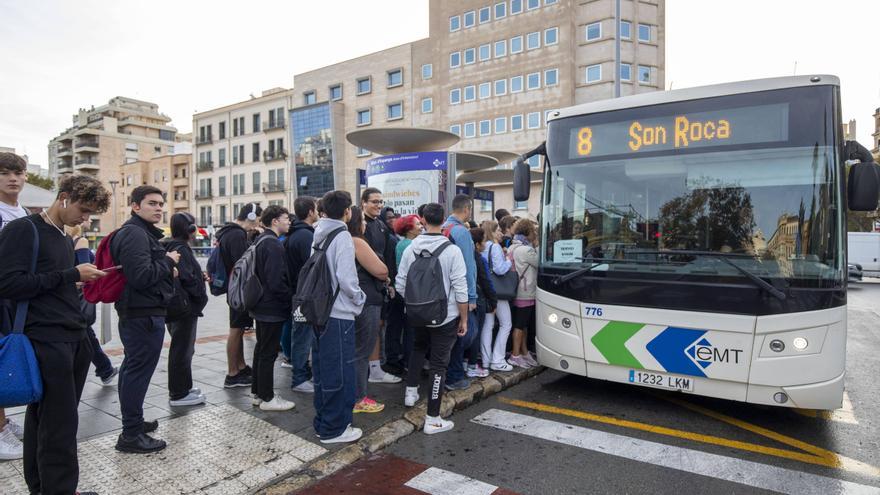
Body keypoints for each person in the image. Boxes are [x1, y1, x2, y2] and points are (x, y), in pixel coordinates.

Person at [0, 174, 109, 492]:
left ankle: (44, 487)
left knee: (44, 421)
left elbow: (51, 282)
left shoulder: (63, 237)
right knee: (59, 425)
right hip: (46, 340)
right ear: (64, 197)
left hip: (72, 337)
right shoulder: (24, 229)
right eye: (84, 210)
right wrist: (70, 274)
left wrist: (72, 278)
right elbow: (7, 283)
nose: (85, 219)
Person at [111, 185, 178, 454]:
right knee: (137, 372)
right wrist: (169, 262)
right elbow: (140, 276)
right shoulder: (135, 234)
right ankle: (130, 434)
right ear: (135, 206)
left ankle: (134, 423)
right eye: (152, 203)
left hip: (140, 312)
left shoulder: (138, 233)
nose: (159, 208)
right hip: (142, 313)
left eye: (161, 204)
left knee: (132, 369)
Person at [396, 203, 468, 434]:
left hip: (416, 314)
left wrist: (416, 303)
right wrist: (464, 318)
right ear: (444, 221)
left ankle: (410, 392)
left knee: (417, 349)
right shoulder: (452, 250)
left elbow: (401, 283)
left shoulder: (411, 248)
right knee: (439, 365)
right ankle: (433, 418)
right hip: (445, 316)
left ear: (424, 221)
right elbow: (461, 289)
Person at [312, 190, 365, 443]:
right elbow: (346, 278)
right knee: (341, 372)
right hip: (339, 312)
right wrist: (359, 299)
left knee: (324, 370)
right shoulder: (342, 235)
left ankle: (323, 422)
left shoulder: (319, 231)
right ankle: (335, 428)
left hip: (320, 310)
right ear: (347, 211)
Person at [248, 205, 295, 411]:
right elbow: (276, 280)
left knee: (261, 349)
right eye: (285, 218)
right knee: (268, 352)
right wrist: (288, 300)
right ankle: (267, 398)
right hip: (271, 307)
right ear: (275, 221)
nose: (289, 221)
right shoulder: (273, 244)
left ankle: (258, 393)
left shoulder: (261, 240)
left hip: (261, 304)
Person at [348, 206, 393, 414]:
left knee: (358, 349)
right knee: (362, 351)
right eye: (363, 222)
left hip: (358, 301)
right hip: (367, 301)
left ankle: (356, 394)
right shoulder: (357, 241)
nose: (366, 224)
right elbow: (381, 270)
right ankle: (359, 398)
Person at [162, 212, 208, 407]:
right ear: (189, 229)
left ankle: (184, 387)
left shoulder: (173, 247)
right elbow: (188, 278)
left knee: (184, 348)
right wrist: (199, 295)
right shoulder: (181, 249)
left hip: (178, 307)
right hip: (184, 308)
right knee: (182, 349)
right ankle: (179, 393)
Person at [0, 151, 28, 460]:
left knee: (6, 359)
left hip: (14, 297)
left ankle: (4, 421)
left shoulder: (19, 212)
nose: (13, 178)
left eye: (18, 173)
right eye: (6, 173)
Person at [66, 223, 119, 386]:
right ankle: (105, 369)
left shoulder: (64, 243)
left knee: (87, 336)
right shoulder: (80, 241)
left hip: (66, 297)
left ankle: (105, 369)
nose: (87, 221)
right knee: (87, 336)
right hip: (78, 297)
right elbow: (85, 270)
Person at [215, 203, 262, 388]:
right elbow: (242, 264)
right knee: (236, 330)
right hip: (238, 290)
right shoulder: (236, 235)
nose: (258, 222)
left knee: (240, 328)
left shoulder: (230, 232)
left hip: (234, 288)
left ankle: (240, 367)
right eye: (258, 218)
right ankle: (232, 373)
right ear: (251, 216)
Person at [360, 187, 398, 383]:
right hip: (364, 286)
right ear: (363, 203)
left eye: (380, 201)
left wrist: (387, 280)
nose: (379, 205)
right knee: (367, 331)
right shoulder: (360, 225)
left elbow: (385, 255)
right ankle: (366, 374)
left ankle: (375, 369)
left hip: (379, 285)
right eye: (374, 201)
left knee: (377, 326)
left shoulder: (381, 225)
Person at [441, 194, 478, 391]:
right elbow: (468, 267)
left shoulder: (443, 228)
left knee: (450, 336)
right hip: (459, 293)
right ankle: (454, 376)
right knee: (465, 333)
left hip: (442, 292)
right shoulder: (461, 232)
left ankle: (447, 373)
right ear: (466, 209)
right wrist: (471, 297)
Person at [283, 196, 319, 393]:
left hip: (299, 292)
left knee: (302, 335)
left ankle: (302, 374)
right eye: (315, 208)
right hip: (304, 294)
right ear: (310, 212)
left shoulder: (296, 234)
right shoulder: (305, 236)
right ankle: (299, 378)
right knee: (303, 336)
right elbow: (312, 266)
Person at [479, 220, 514, 372]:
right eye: (498, 230)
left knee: (488, 326)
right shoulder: (495, 247)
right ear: (492, 232)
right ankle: (498, 359)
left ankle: (486, 360)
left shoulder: (481, 247)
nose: (500, 233)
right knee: (506, 324)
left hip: (485, 290)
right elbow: (500, 269)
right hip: (498, 291)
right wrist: (508, 260)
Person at [508, 219, 539, 368]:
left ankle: (524, 352)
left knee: (523, 324)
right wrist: (538, 245)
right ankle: (515, 355)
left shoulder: (513, 247)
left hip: (517, 290)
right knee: (520, 325)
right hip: (525, 292)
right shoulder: (526, 250)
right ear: (528, 233)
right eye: (533, 231)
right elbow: (540, 262)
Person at [466, 227, 496, 378]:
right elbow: (486, 282)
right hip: (479, 299)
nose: (485, 244)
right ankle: (472, 365)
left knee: (467, 332)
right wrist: (494, 302)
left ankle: (467, 363)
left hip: (467, 299)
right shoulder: (479, 259)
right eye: (483, 241)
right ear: (477, 244)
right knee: (476, 333)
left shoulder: (466, 256)